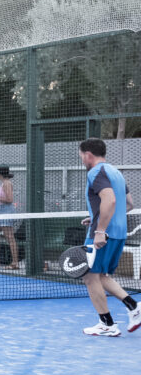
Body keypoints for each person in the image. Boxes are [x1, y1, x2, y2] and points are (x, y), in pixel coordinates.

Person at [78, 138, 141, 336]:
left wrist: (99, 229)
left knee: (89, 277)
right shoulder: (116, 172)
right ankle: (133, 307)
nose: (82, 160)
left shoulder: (96, 172)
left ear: (88, 154)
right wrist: (97, 217)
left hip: (103, 234)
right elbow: (128, 203)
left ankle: (107, 324)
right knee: (100, 276)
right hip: (118, 232)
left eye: (81, 156)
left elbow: (110, 199)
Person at [0, 166, 19, 269]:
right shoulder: (3, 184)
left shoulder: (7, 183)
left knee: (9, 237)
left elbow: (10, 199)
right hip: (0, 212)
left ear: (0, 173)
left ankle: (15, 263)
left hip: (6, 212)